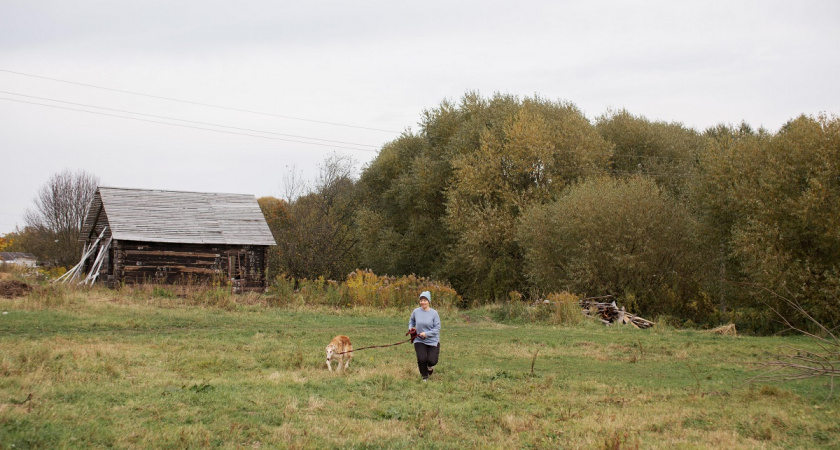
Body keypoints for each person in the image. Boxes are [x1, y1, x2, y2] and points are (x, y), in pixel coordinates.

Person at [408, 290, 441, 381]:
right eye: (421, 300)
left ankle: (430, 367)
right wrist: (411, 328)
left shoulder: (434, 313)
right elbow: (411, 322)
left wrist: (426, 334)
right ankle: (424, 377)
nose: (422, 302)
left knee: (432, 361)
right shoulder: (416, 312)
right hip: (419, 340)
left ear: (428, 301)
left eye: (425, 300)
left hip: (432, 340)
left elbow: (437, 328)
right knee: (422, 359)